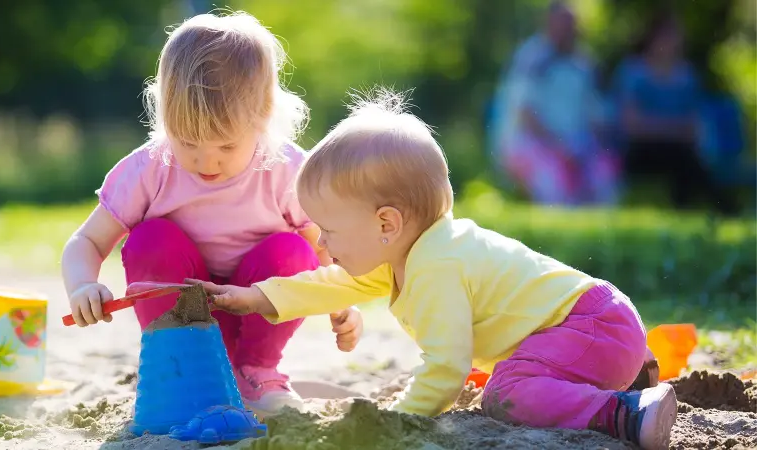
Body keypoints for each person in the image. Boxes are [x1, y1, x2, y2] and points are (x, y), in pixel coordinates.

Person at [190, 88, 678, 450]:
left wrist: (401, 420)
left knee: (505, 392)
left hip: (591, 326)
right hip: (597, 331)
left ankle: (624, 412)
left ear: (387, 223)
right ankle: (624, 377)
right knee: (509, 378)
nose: (321, 241)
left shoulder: (437, 265)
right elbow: (334, 283)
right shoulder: (404, 254)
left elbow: (445, 370)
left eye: (330, 229)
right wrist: (261, 298)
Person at [60, 11, 364, 417]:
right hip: (181, 318)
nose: (206, 161)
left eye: (225, 146)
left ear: (263, 116)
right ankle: (179, 369)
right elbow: (87, 240)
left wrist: (343, 301)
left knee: (292, 250)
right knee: (151, 239)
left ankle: (256, 372)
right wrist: (82, 285)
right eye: (187, 141)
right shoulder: (150, 168)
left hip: (255, 316)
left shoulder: (287, 171)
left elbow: (326, 248)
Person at [612, 11, 738, 214]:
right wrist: (675, 128)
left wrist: (663, 127)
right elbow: (631, 125)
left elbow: (694, 123)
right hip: (639, 152)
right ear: (652, 38)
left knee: (684, 156)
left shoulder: (686, 75)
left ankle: (691, 209)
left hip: (679, 149)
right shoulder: (634, 72)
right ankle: (722, 208)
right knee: (682, 155)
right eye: (668, 36)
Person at [496, 1, 619, 206]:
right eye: (562, 23)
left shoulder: (585, 64)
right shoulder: (531, 59)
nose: (567, 30)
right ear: (548, 23)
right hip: (530, 144)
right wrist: (560, 148)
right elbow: (526, 115)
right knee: (553, 181)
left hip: (576, 146)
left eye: (571, 24)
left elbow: (597, 116)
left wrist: (586, 148)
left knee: (603, 176)